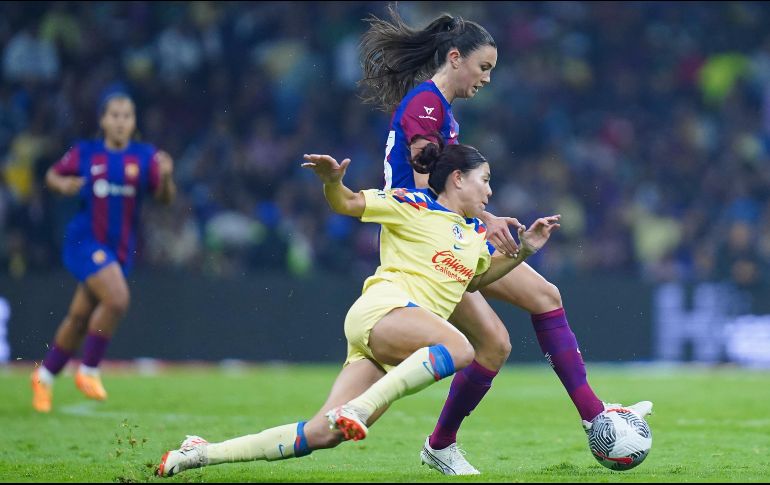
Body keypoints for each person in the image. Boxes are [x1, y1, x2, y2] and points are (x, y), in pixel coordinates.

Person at [358, 6, 652, 474]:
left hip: (440, 234)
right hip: (425, 244)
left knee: (501, 337)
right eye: (483, 67)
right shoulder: (428, 106)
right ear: (455, 57)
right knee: (364, 400)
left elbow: (443, 189)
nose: (487, 79)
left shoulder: (439, 110)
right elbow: (423, 193)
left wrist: (481, 218)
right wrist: (483, 220)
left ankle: (443, 443)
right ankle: (592, 417)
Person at [157, 141, 560, 477]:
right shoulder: (412, 204)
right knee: (461, 348)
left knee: (324, 433)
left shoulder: (473, 235)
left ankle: (200, 453)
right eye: (485, 181)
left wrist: (524, 251)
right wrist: (333, 183)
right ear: (458, 178)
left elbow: (474, 281)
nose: (490, 193)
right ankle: (359, 407)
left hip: (398, 339)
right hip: (384, 309)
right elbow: (347, 203)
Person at [30, 92, 176, 413]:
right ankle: (89, 369)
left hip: (118, 250)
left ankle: (44, 377)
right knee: (118, 299)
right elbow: (52, 175)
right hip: (85, 242)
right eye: (115, 115)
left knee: (80, 318)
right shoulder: (86, 152)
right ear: (103, 120)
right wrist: (61, 185)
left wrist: (165, 176)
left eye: (127, 116)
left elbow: (165, 199)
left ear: (134, 121)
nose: (121, 122)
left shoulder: (145, 157)